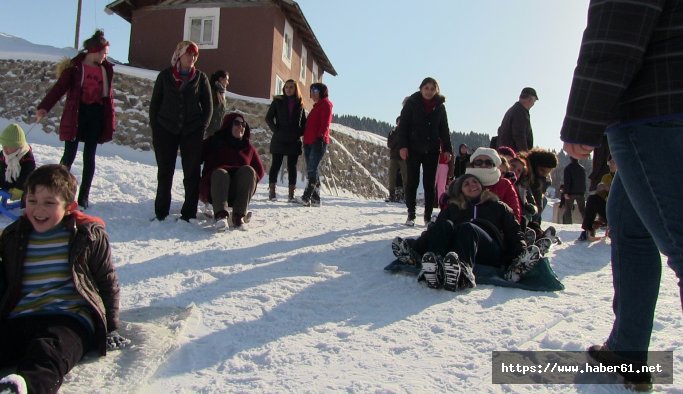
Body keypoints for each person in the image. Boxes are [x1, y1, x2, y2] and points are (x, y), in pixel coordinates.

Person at [560, 1, 683, 388]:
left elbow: (616, 29)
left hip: (655, 109)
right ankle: (628, 349)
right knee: (628, 221)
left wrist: (582, 120)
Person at [0, 164, 125, 394]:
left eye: (49, 203)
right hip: (22, 316)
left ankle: (24, 388)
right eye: (32, 201)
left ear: (69, 207)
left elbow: (106, 280)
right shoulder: (13, 236)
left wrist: (110, 328)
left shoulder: (87, 235)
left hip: (69, 318)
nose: (38, 209)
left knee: (47, 351)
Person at [392, 173, 540, 291]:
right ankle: (435, 267)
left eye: (475, 182)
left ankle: (463, 271)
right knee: (444, 224)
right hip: (458, 249)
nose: (472, 185)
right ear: (460, 190)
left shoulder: (498, 206)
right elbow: (435, 231)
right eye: (466, 184)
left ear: (481, 186)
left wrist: (519, 254)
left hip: (489, 249)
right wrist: (414, 247)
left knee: (467, 227)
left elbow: (514, 232)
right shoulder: (452, 208)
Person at [35, 30, 115, 210]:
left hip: (95, 115)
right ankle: (58, 192)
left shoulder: (105, 70)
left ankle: (84, 196)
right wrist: (44, 107)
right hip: (77, 114)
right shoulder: (75, 69)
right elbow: (58, 89)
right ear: (94, 50)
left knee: (90, 157)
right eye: (104, 53)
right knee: (69, 156)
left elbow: (107, 97)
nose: (105, 57)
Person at [149, 40, 212, 222]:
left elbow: (208, 107)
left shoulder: (201, 78)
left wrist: (201, 127)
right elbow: (155, 105)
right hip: (165, 129)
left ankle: (189, 213)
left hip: (192, 131)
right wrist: (157, 128)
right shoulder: (165, 76)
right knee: (165, 172)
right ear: (179, 54)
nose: (192, 58)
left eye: (195, 55)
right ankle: (161, 212)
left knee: (191, 173)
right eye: (189, 54)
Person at [397, 77, 453, 226]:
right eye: (426, 88)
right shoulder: (411, 103)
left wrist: (447, 149)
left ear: (436, 91)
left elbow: (444, 129)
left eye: (432, 89)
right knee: (412, 181)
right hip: (413, 148)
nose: (429, 91)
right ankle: (411, 214)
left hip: (432, 149)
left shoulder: (440, 106)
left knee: (429, 184)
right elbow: (403, 127)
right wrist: (403, 146)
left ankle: (428, 216)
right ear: (421, 88)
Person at [199, 113, 264, 231]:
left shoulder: (248, 148)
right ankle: (221, 216)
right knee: (221, 173)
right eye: (237, 123)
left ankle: (238, 216)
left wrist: (249, 184)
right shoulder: (215, 141)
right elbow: (196, 156)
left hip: (236, 192)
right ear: (228, 125)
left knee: (248, 171)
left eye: (243, 124)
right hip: (216, 188)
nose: (241, 127)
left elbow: (260, 171)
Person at [265, 79, 307, 202]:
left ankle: (291, 194)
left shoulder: (300, 104)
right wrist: (276, 130)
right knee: (276, 165)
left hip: (294, 141)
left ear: (295, 89)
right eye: (286, 87)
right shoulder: (278, 101)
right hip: (279, 138)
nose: (288, 89)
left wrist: (298, 133)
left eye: (291, 87)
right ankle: (272, 192)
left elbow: (304, 124)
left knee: (292, 167)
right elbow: (268, 118)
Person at [296, 82, 332, 207]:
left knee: (311, 169)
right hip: (308, 141)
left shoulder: (326, 105)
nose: (312, 93)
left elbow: (325, 123)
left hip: (317, 142)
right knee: (313, 170)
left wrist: (320, 137)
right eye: (311, 90)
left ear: (321, 92)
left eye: (315, 90)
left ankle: (306, 197)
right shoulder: (316, 107)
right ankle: (316, 199)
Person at [465, 147, 521, 223]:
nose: (483, 165)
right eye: (479, 162)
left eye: (488, 163)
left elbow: (514, 216)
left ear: (495, 165)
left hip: (494, 231)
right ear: (472, 164)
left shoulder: (504, 185)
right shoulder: (462, 183)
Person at [579, 156, 616, 242]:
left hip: (621, 211)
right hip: (609, 209)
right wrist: (599, 190)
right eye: (609, 163)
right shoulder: (606, 177)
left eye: (613, 162)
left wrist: (609, 188)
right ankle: (587, 229)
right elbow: (601, 197)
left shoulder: (624, 177)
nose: (610, 165)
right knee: (593, 198)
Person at [0, 124, 36, 204]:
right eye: (3, 146)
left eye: (8, 146)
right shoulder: (4, 153)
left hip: (20, 185)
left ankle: (25, 207)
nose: (4, 149)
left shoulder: (26, 157)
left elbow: (26, 176)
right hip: (6, 180)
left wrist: (19, 189)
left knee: (29, 189)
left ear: (18, 146)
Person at [496, 87, 538, 152]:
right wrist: (524, 156)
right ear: (530, 99)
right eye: (534, 101)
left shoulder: (514, 110)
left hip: (507, 153)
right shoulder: (520, 112)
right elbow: (519, 136)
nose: (533, 104)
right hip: (514, 156)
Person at [386, 116, 407, 203]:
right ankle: (391, 195)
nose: (400, 123)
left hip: (404, 158)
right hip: (394, 157)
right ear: (396, 123)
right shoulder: (393, 132)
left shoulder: (407, 132)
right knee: (392, 176)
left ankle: (406, 196)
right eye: (399, 121)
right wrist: (398, 137)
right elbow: (389, 144)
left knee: (406, 177)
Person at [205, 70, 229, 139]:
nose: (228, 83)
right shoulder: (211, 92)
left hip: (216, 132)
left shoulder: (221, 94)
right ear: (221, 79)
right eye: (226, 80)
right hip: (208, 132)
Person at [562, 157, 586, 224]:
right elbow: (583, 181)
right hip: (581, 192)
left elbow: (567, 181)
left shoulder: (568, 168)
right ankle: (587, 223)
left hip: (570, 193)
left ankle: (568, 224)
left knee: (568, 210)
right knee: (583, 210)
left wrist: (566, 192)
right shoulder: (582, 168)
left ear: (570, 159)